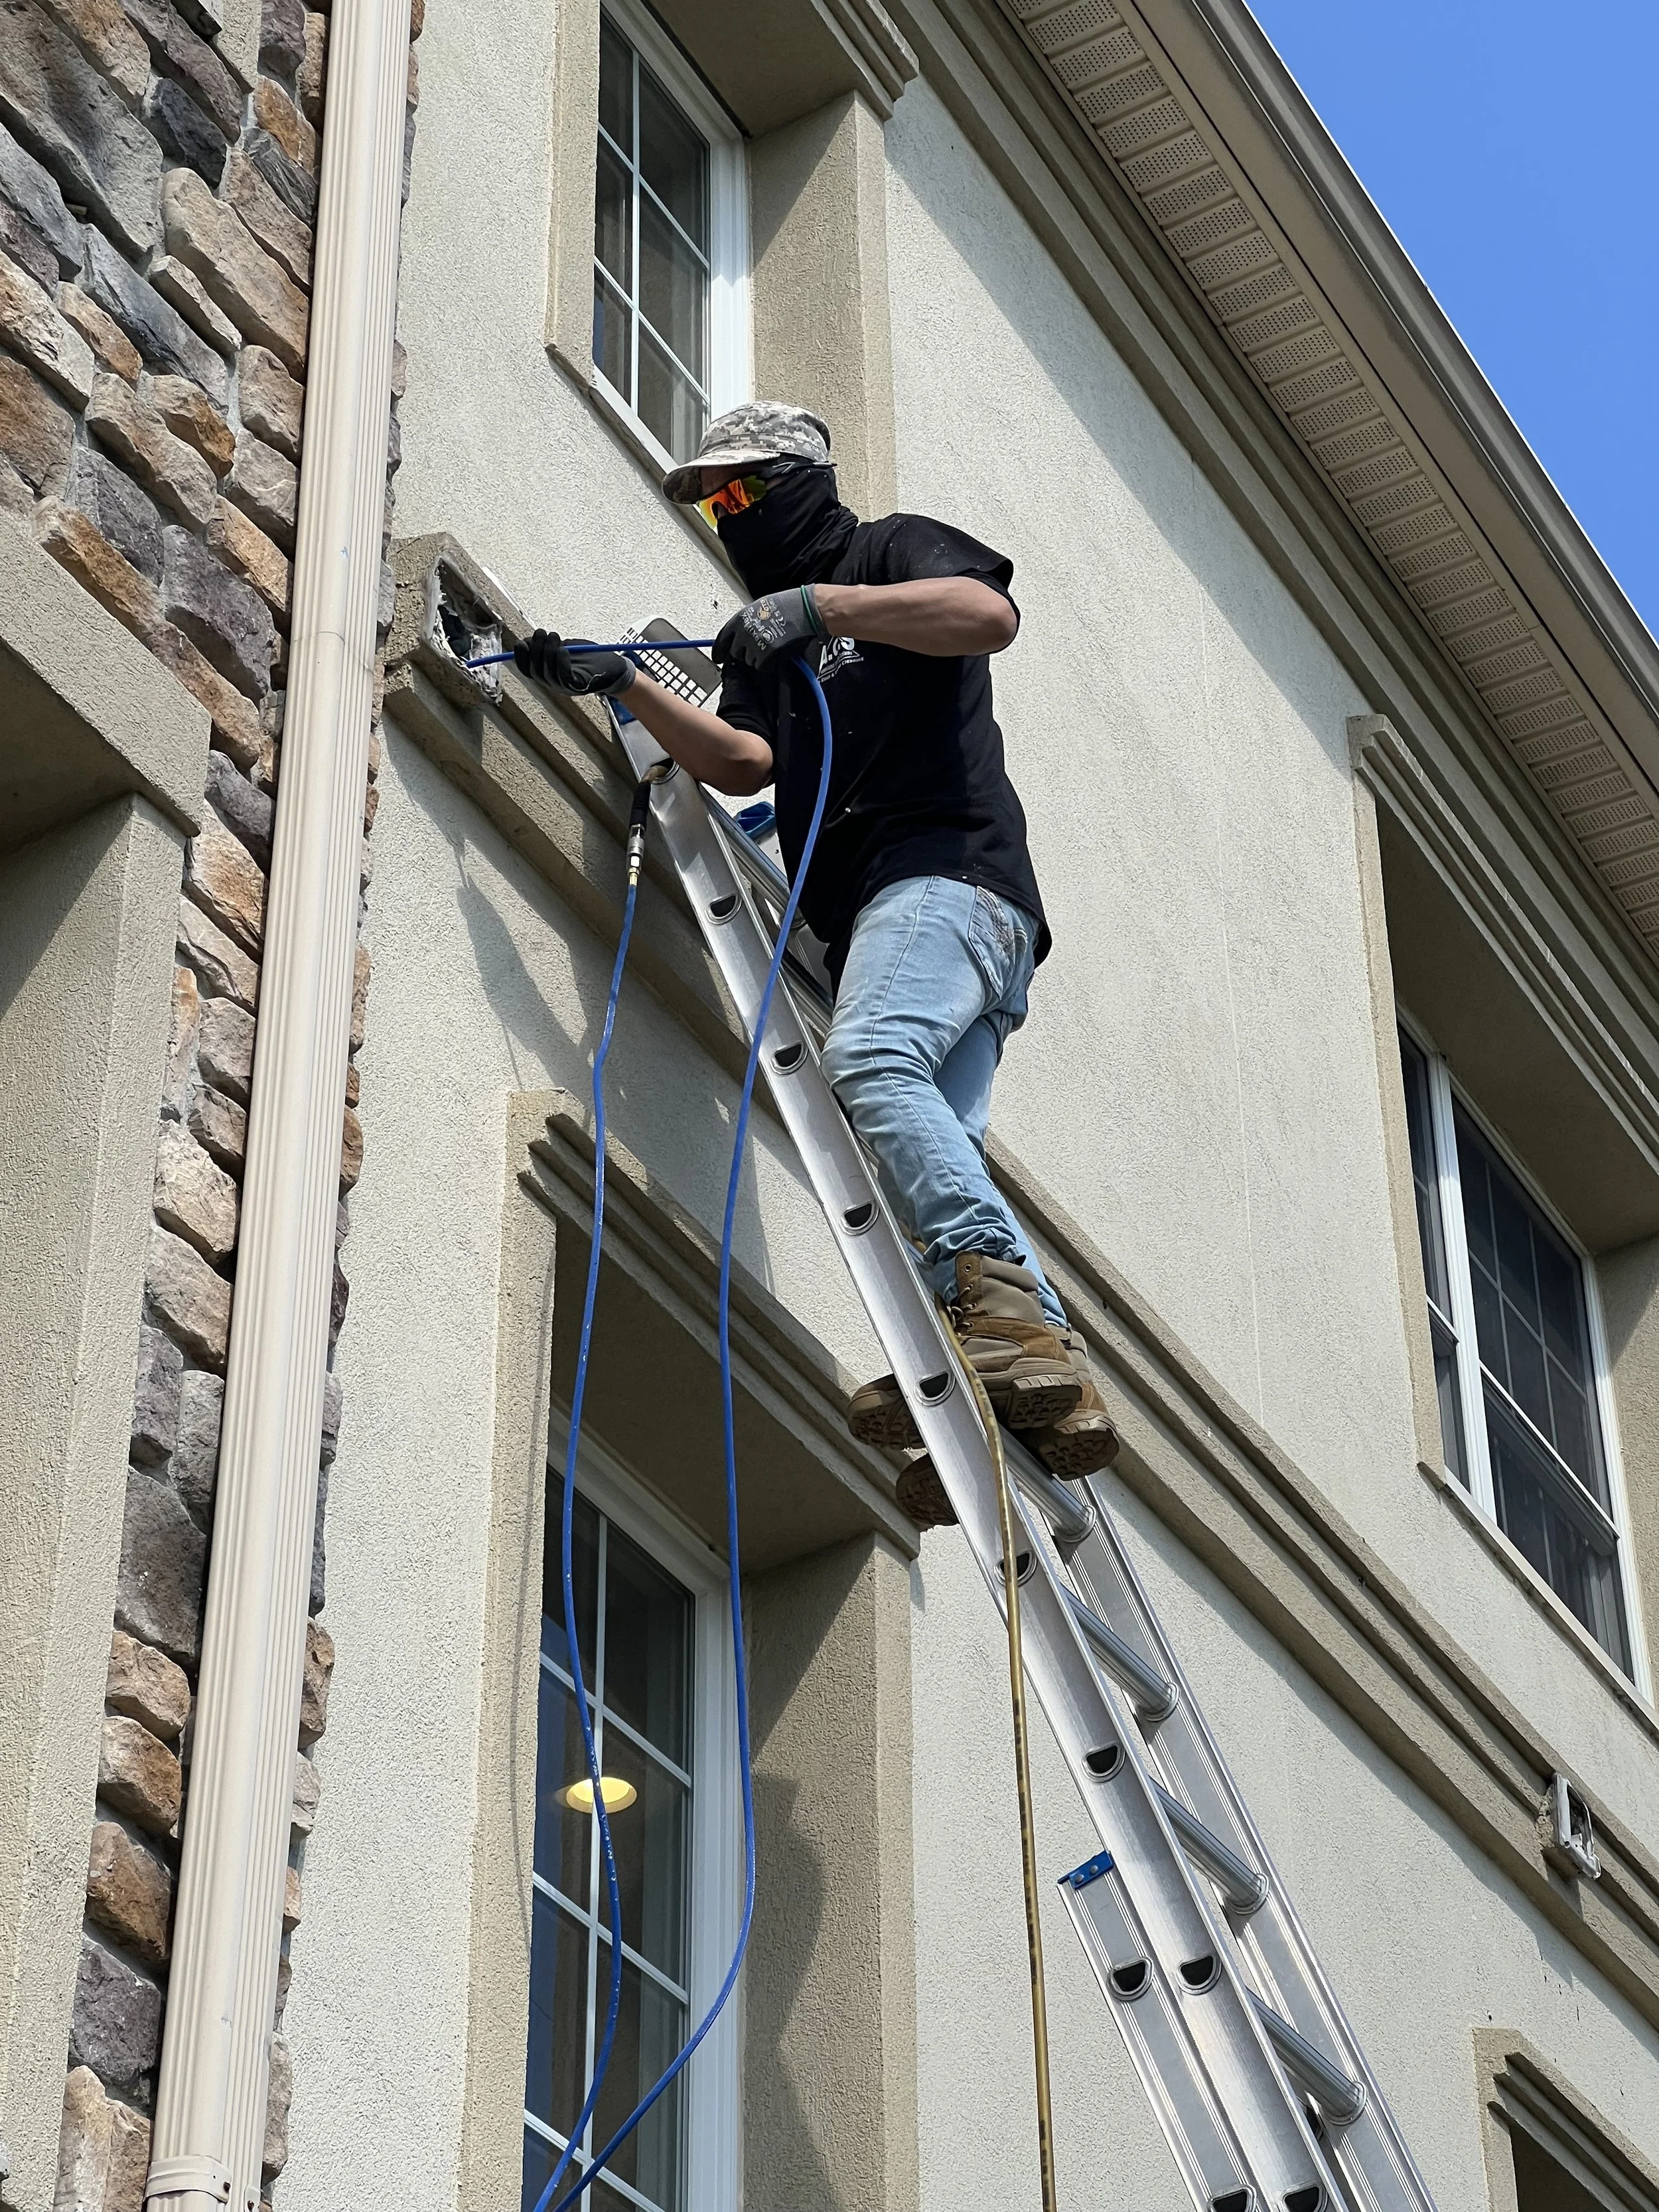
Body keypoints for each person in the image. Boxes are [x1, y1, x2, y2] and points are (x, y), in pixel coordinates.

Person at [514, 401, 1118, 1526]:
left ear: (798, 482)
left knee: (870, 1063)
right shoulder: (766, 640)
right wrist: (624, 682)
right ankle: (1023, 1397)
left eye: (740, 493)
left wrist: (820, 605)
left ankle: (1012, 1338)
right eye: (710, 504)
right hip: (899, 921)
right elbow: (746, 763)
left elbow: (987, 616)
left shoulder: (881, 553)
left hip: (946, 880)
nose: (728, 518)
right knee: (924, 1158)